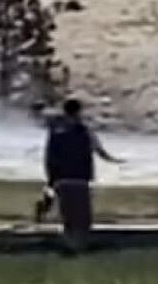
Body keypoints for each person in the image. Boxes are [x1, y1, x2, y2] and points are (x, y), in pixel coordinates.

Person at [42, 98, 123, 254]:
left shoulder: (55, 131)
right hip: (80, 179)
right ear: (79, 112)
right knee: (82, 217)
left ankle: (71, 246)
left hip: (62, 179)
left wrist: (50, 180)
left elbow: (49, 157)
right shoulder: (84, 130)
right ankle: (80, 246)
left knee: (69, 216)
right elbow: (100, 151)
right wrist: (115, 160)